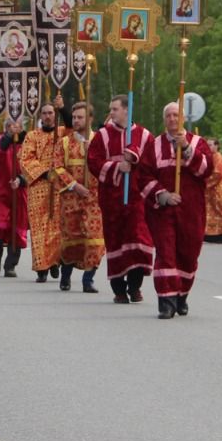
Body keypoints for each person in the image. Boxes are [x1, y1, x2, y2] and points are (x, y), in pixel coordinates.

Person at [141, 101, 214, 319]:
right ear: (164, 120)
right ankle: (166, 299)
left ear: (181, 118)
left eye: (176, 115)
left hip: (191, 211)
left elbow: (206, 170)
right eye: (168, 116)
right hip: (163, 212)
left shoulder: (198, 143)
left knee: (188, 254)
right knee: (166, 253)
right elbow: (143, 177)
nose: (172, 119)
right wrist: (162, 195)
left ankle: (181, 294)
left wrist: (188, 150)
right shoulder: (154, 146)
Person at [86, 95, 154, 304]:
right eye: (111, 109)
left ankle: (135, 287)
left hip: (137, 200)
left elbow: (152, 164)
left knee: (139, 240)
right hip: (112, 200)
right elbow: (93, 162)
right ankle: (119, 289)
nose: (111, 113)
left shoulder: (144, 136)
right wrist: (117, 167)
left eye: (115, 109)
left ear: (127, 110)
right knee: (115, 241)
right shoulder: (102, 136)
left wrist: (134, 160)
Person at [52, 100, 105, 292]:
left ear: (90, 119)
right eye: (74, 117)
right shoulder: (64, 143)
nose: (75, 120)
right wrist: (74, 185)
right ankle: (66, 275)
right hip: (70, 199)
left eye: (80, 117)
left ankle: (88, 279)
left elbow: (106, 166)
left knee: (95, 239)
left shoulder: (99, 141)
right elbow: (57, 167)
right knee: (71, 240)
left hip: (94, 199)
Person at [19, 100, 65, 282]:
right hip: (38, 185)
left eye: (51, 113)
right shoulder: (32, 136)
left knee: (56, 226)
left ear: (55, 115)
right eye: (45, 113)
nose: (48, 116)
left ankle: (54, 262)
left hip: (58, 186)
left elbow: (73, 132)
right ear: (40, 116)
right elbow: (25, 158)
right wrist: (45, 173)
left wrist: (63, 108)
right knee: (39, 227)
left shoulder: (61, 133)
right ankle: (41, 267)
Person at [0, 116, 30, 276]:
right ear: (6, 127)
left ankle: (11, 264)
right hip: (1, 191)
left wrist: (21, 180)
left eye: (18, 126)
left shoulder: (28, 144)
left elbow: (34, 166)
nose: (15, 128)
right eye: (12, 126)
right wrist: (7, 138)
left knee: (18, 230)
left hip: (20, 193)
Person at [203, 137, 222, 244]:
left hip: (217, 189)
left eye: (210, 145)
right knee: (210, 212)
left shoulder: (218, 157)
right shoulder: (209, 156)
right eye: (207, 145)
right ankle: (212, 235)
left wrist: (205, 183)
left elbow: (218, 174)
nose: (208, 147)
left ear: (216, 146)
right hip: (210, 190)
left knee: (220, 212)